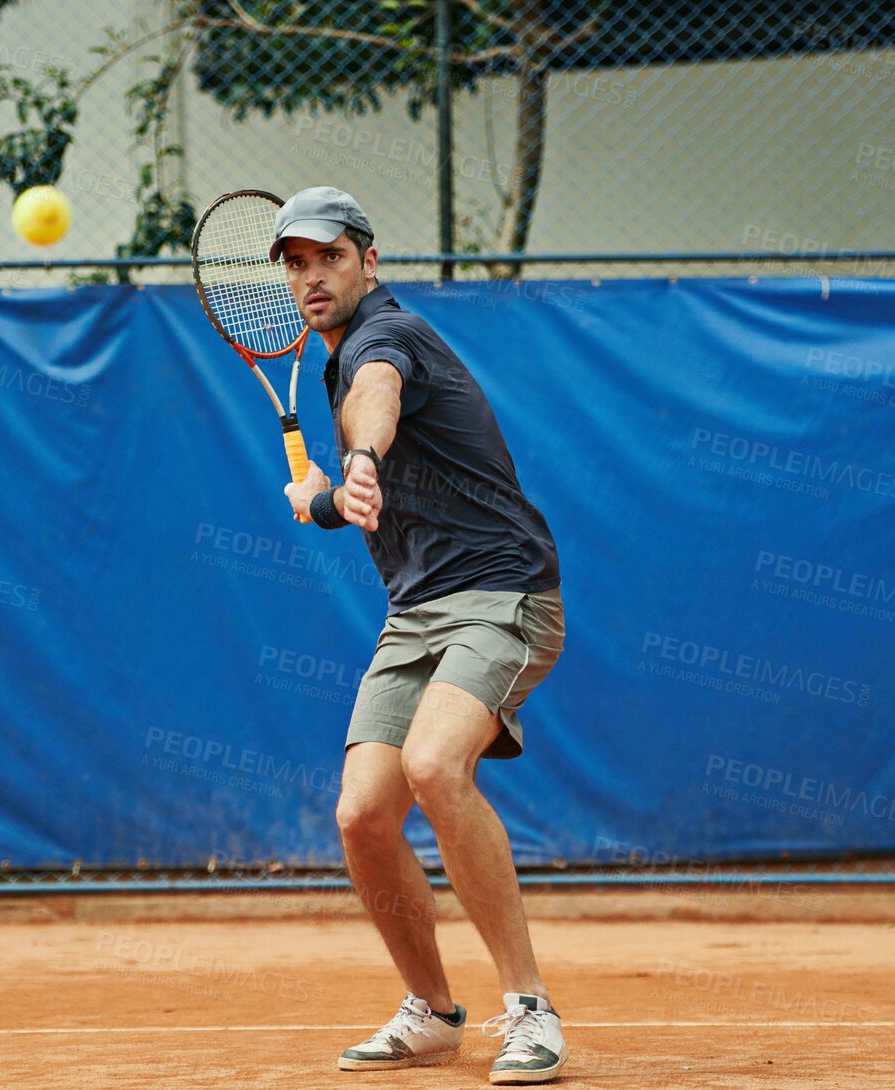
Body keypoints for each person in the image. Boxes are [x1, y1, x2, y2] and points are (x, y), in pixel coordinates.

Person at [274, 186, 568, 1086]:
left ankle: (529, 1009)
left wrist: (355, 461)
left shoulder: (382, 337)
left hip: (503, 594)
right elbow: (352, 491)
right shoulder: (331, 356)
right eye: (294, 263)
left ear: (371, 261)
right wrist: (324, 499)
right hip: (416, 612)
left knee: (435, 765)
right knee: (362, 814)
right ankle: (434, 1013)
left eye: (329, 256)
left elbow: (378, 393)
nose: (312, 276)